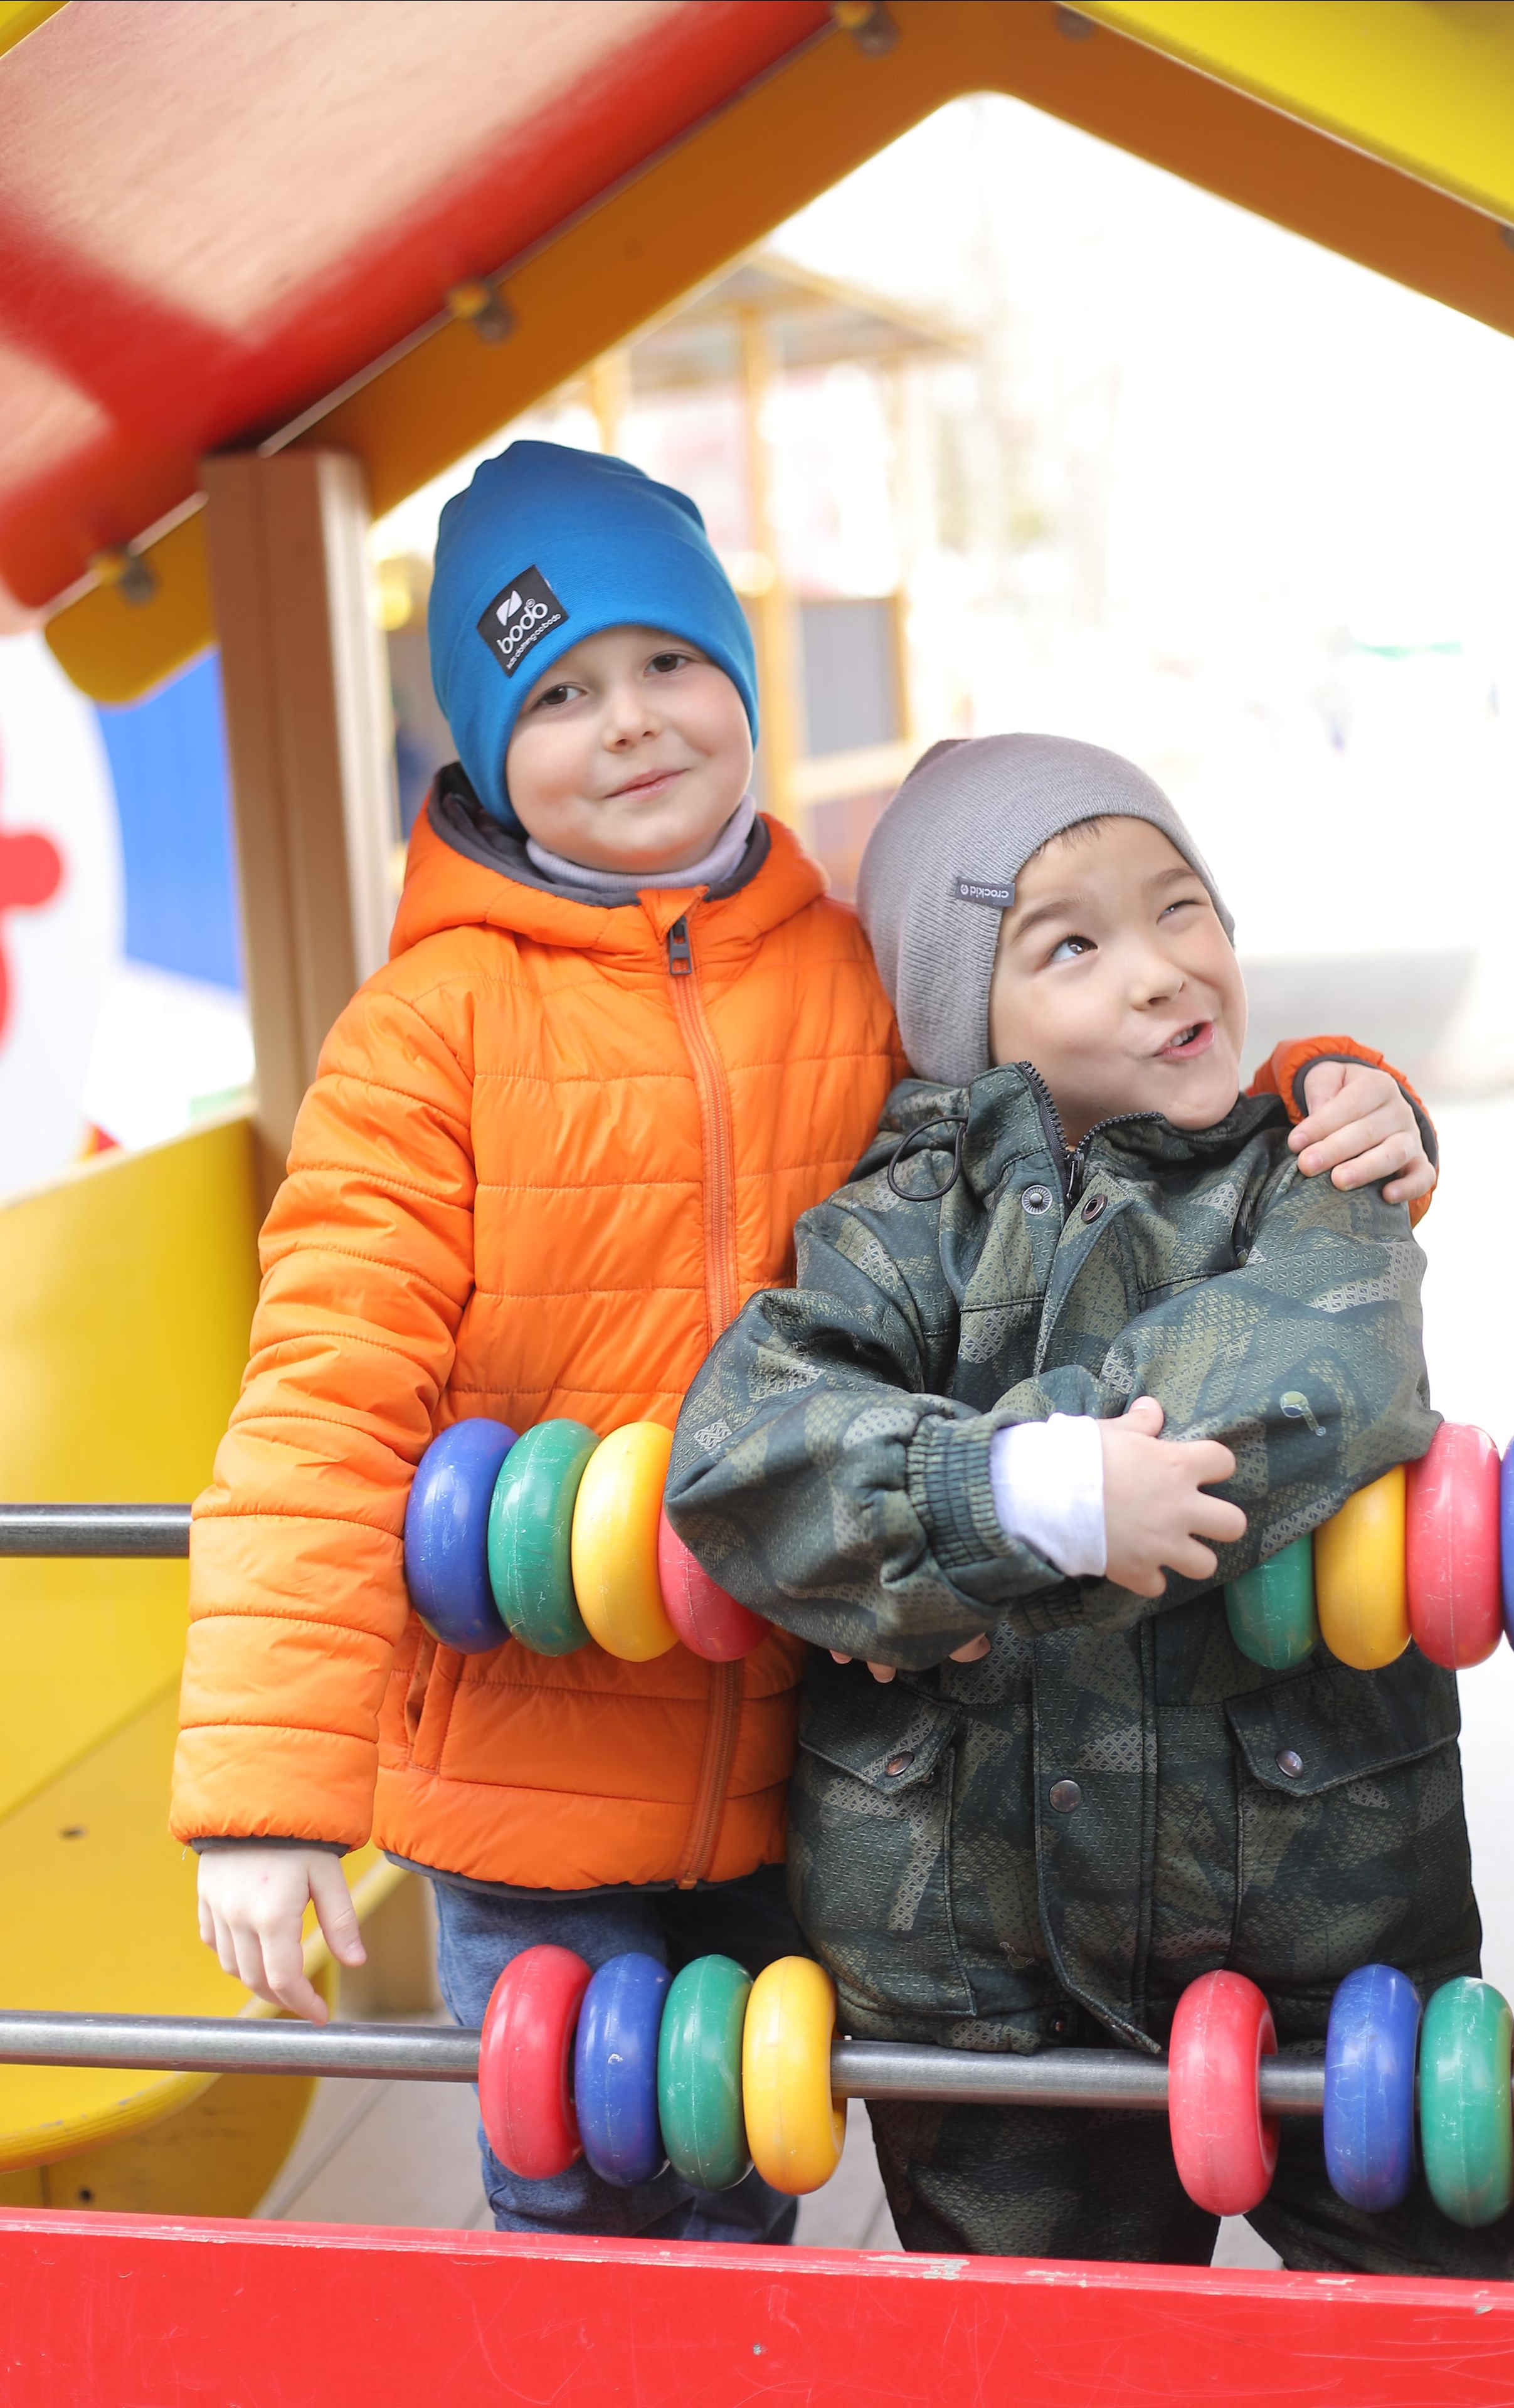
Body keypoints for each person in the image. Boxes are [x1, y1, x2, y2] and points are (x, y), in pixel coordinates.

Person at [171, 452, 1439, 2246]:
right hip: (540, 1772)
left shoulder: (850, 969)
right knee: (597, 2240)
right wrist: (265, 1794)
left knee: (747, 2223)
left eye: (669, 664)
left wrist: (1329, 1089)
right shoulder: (420, 1039)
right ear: (473, 740)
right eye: (556, 693)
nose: (628, 723)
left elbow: (1094, 1090)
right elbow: (320, 1398)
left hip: (805, 1734)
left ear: (740, 682)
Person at [665, 732, 1514, 2283]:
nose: (1165, 970)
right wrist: (1011, 1495)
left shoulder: (1306, 1168)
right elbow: (742, 1460)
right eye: (1074, 944)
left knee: (1457, 2313)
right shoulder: (888, 1235)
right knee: (1040, 2355)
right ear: (966, 1017)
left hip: (1330, 1928)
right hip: (969, 1959)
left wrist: (981, 1529)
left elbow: (1326, 1359)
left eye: (1183, 910)